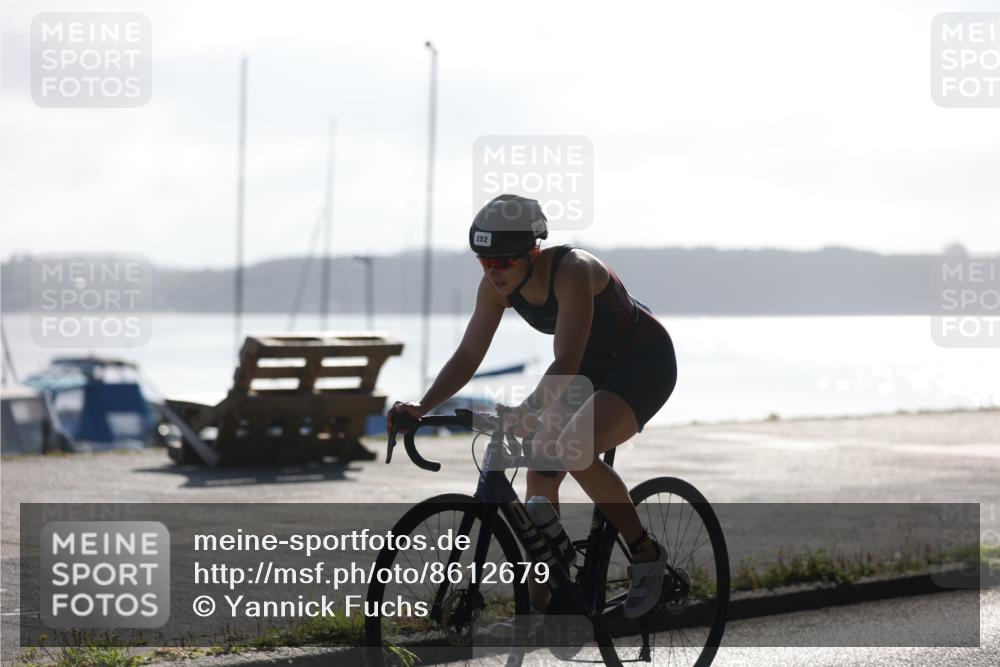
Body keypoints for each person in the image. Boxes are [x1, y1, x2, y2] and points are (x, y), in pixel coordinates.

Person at [387, 194, 678, 620]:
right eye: (484, 261)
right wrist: (422, 404)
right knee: (539, 474)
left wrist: (525, 413)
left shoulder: (573, 270)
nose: (493, 271)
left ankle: (645, 554)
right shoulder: (495, 288)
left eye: (504, 261)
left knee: (573, 449)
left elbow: (567, 360)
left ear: (533, 252)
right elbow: (469, 355)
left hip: (642, 364)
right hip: (588, 373)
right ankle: (545, 604)